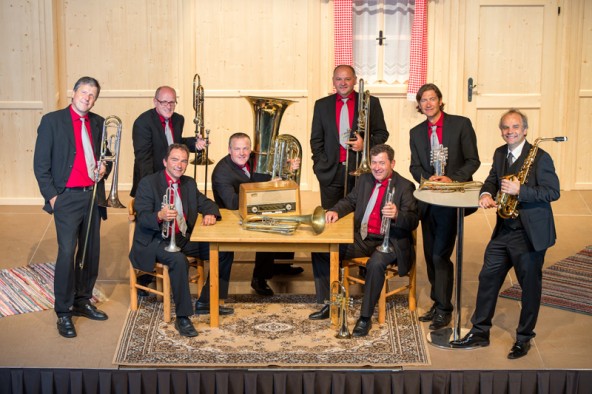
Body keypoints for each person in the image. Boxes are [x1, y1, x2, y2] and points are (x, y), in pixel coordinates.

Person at [451, 109, 560, 359]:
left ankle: (523, 338)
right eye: (505, 128)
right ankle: (480, 332)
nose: (509, 132)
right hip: (504, 230)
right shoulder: (501, 153)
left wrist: (521, 190)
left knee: (529, 287)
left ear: (524, 130)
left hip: (529, 234)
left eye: (514, 127)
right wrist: (486, 194)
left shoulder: (541, 158)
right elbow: (491, 179)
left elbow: (552, 192)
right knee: (487, 278)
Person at [311, 144, 419, 336]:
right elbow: (350, 201)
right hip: (363, 238)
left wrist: (397, 215)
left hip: (390, 242)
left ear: (392, 163)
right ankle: (330, 303)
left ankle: (365, 318)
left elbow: (413, 221)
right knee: (321, 251)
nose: (377, 167)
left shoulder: (404, 186)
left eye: (382, 163)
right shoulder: (364, 180)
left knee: (375, 264)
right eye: (374, 162)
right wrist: (336, 209)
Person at [34, 76, 112, 338]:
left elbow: (106, 158)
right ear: (74, 92)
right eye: (84, 92)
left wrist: (105, 167)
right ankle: (64, 311)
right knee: (67, 253)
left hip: (92, 196)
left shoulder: (99, 122)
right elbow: (40, 165)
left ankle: (82, 300)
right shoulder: (52, 121)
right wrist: (53, 197)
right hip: (66, 198)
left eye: (92, 95)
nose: (87, 98)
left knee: (90, 253)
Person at [129, 144, 234, 337]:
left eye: (184, 160)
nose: (179, 165)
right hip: (156, 240)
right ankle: (183, 318)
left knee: (224, 251)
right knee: (178, 260)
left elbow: (207, 203)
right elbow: (143, 219)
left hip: (182, 237)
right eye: (175, 159)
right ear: (165, 161)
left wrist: (211, 213)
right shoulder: (148, 183)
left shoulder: (188, 183)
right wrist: (159, 215)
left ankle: (207, 301)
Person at [309, 65, 389, 304]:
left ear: (355, 80)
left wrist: (365, 144)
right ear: (333, 81)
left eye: (347, 78)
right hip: (331, 172)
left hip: (362, 171)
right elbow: (316, 140)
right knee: (332, 219)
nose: (343, 83)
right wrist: (320, 164)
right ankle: (335, 272)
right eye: (338, 79)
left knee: (361, 217)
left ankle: (363, 266)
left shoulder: (370, 102)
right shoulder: (322, 105)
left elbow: (382, 134)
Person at [409, 83, 480, 330]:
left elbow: (473, 161)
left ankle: (445, 309)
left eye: (432, 98)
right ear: (419, 105)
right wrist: (428, 180)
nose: (428, 103)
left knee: (440, 254)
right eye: (423, 100)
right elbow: (414, 167)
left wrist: (451, 178)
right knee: (429, 255)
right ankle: (439, 302)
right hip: (429, 200)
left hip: (452, 201)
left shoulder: (461, 124)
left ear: (440, 101)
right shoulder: (416, 132)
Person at [211, 132, 303, 296]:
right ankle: (259, 278)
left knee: (285, 212)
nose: (242, 153)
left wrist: (288, 167)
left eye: (245, 148)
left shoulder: (256, 158)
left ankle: (281, 264)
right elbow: (232, 203)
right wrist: (265, 187)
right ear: (229, 150)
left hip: (257, 206)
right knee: (266, 227)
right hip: (232, 216)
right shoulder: (221, 172)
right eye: (237, 149)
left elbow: (273, 174)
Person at [130, 85, 207, 197]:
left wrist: (195, 143)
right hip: (152, 182)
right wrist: (153, 188)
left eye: (172, 102)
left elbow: (176, 143)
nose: (169, 106)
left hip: (173, 178)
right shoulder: (143, 123)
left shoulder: (178, 119)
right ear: (155, 102)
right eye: (164, 102)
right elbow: (144, 160)